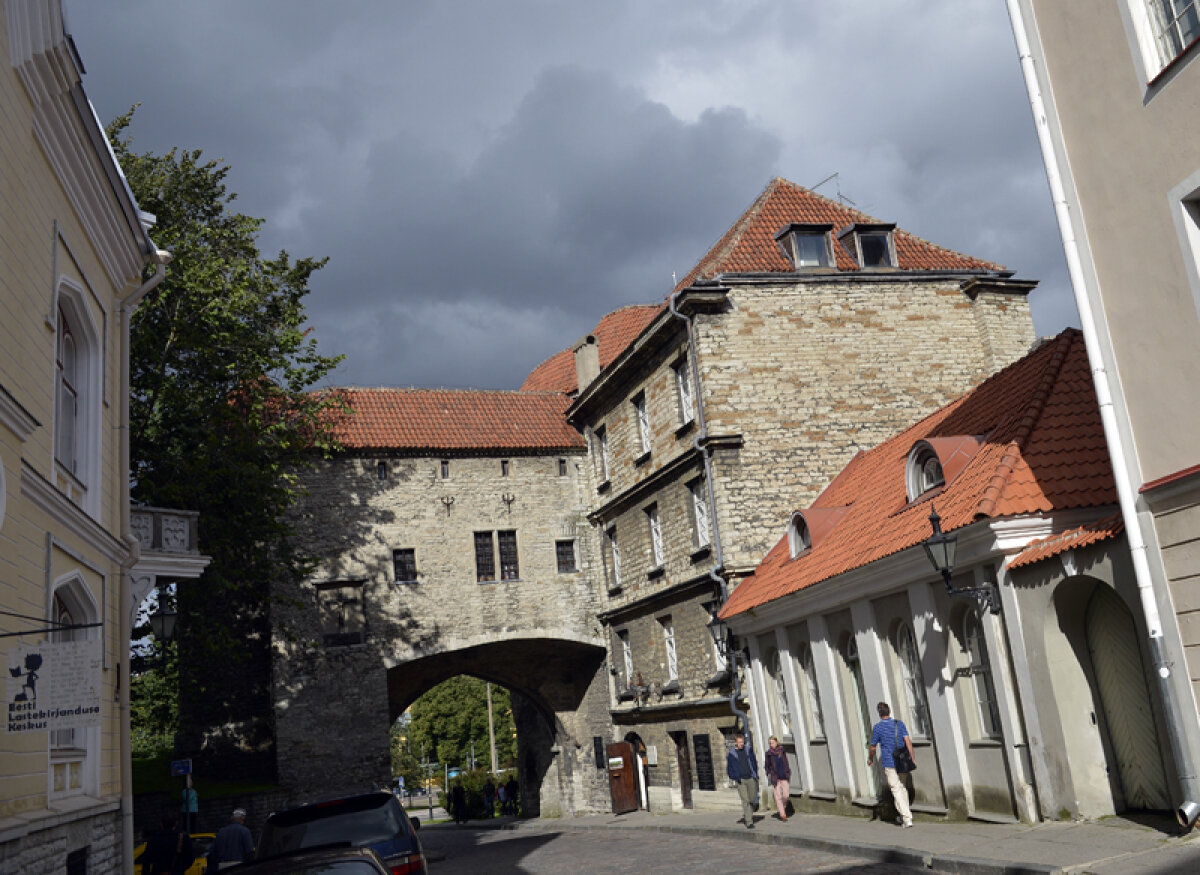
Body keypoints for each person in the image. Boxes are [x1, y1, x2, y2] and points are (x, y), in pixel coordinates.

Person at [868, 701, 915, 829]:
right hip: (902, 761)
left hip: (889, 762)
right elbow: (908, 742)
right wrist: (912, 758)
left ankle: (907, 818)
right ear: (889, 711)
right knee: (902, 788)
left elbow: (873, 747)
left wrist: (870, 758)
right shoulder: (899, 724)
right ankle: (903, 815)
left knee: (896, 789)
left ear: (879, 713)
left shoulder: (878, 728)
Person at [725, 731, 759, 829]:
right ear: (735, 742)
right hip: (741, 780)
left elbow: (753, 762)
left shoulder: (748, 750)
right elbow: (729, 768)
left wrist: (755, 774)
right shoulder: (732, 754)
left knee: (752, 799)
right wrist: (734, 776)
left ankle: (748, 815)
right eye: (739, 742)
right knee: (745, 800)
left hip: (751, 777)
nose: (741, 744)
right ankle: (749, 821)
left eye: (742, 742)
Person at [764, 735, 791, 822]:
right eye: (770, 743)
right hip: (775, 777)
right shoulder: (768, 753)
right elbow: (767, 765)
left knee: (786, 795)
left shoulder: (782, 751)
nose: (771, 744)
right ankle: (783, 814)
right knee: (778, 796)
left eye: (772, 742)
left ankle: (782, 807)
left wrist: (788, 772)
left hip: (783, 775)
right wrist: (768, 773)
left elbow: (786, 762)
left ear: (776, 742)